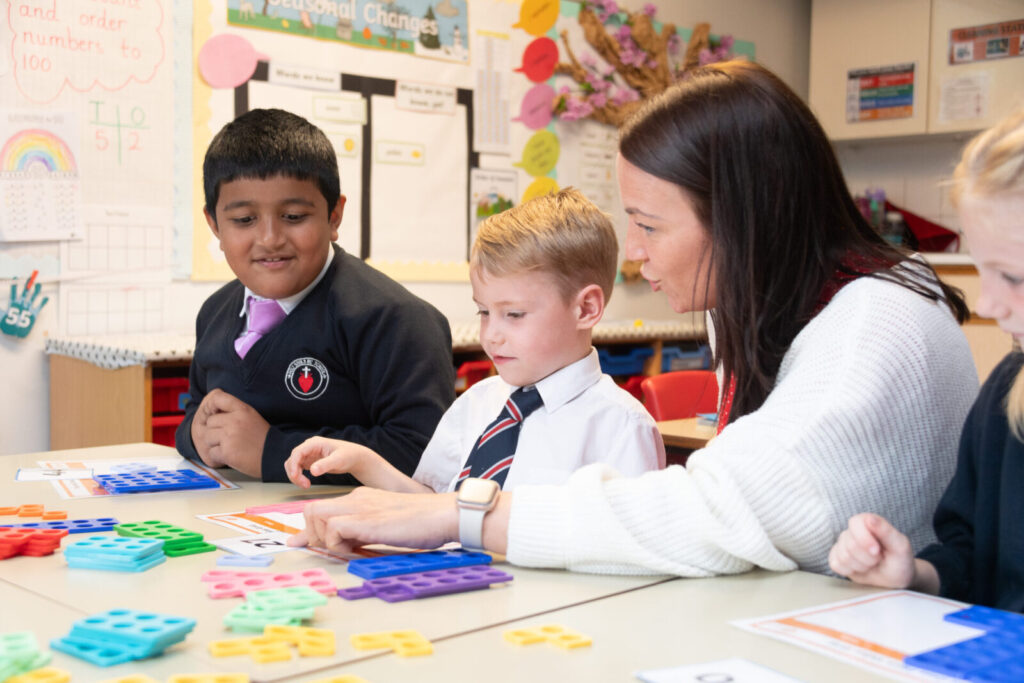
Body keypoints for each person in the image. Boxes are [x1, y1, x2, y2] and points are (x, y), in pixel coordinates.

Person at [287, 61, 978, 577]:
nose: (635, 252)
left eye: (649, 225)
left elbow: (729, 510)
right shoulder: (759, 300)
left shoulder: (875, 321)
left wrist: (468, 516)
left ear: (742, 219)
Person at [283, 188, 665, 494]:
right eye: (484, 312)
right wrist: (363, 462)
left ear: (586, 309)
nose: (491, 334)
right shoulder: (478, 403)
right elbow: (433, 506)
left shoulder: (621, 427)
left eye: (513, 314)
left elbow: (628, 547)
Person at [176, 108, 455, 484]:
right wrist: (195, 436)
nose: (270, 238)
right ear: (214, 225)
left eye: (293, 216)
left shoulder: (395, 319)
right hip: (235, 525)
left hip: (346, 530)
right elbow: (197, 412)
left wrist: (270, 451)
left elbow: (421, 451)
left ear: (334, 216)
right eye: (244, 220)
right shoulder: (214, 312)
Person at [829, 109, 1024, 611]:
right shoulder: (1007, 391)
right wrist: (915, 573)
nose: (986, 305)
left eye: (1014, 277)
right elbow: (971, 553)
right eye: (984, 272)